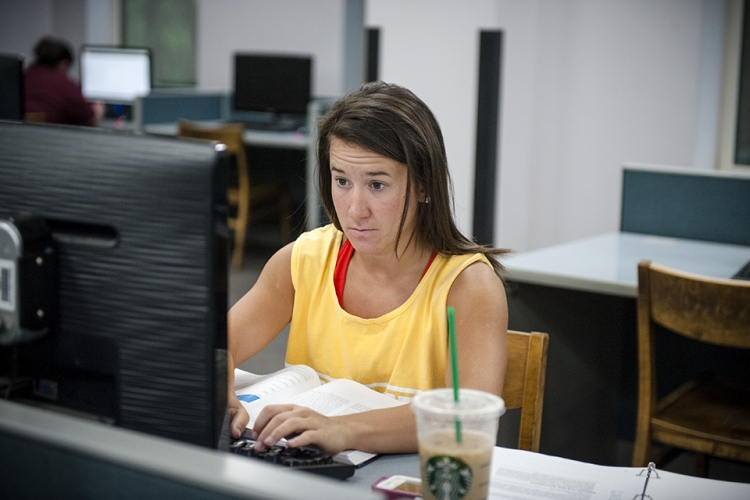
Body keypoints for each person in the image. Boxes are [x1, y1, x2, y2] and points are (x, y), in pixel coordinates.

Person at [228, 81, 509, 456]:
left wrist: (341, 430)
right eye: (341, 180)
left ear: (424, 185)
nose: (355, 209)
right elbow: (217, 345)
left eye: (377, 185)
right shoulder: (303, 261)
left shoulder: (468, 286)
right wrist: (215, 385)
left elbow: (467, 419)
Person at [24, 36, 104, 126]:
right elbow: (88, 117)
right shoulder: (63, 85)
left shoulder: (25, 76)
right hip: (51, 137)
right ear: (64, 64)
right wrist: (98, 112)